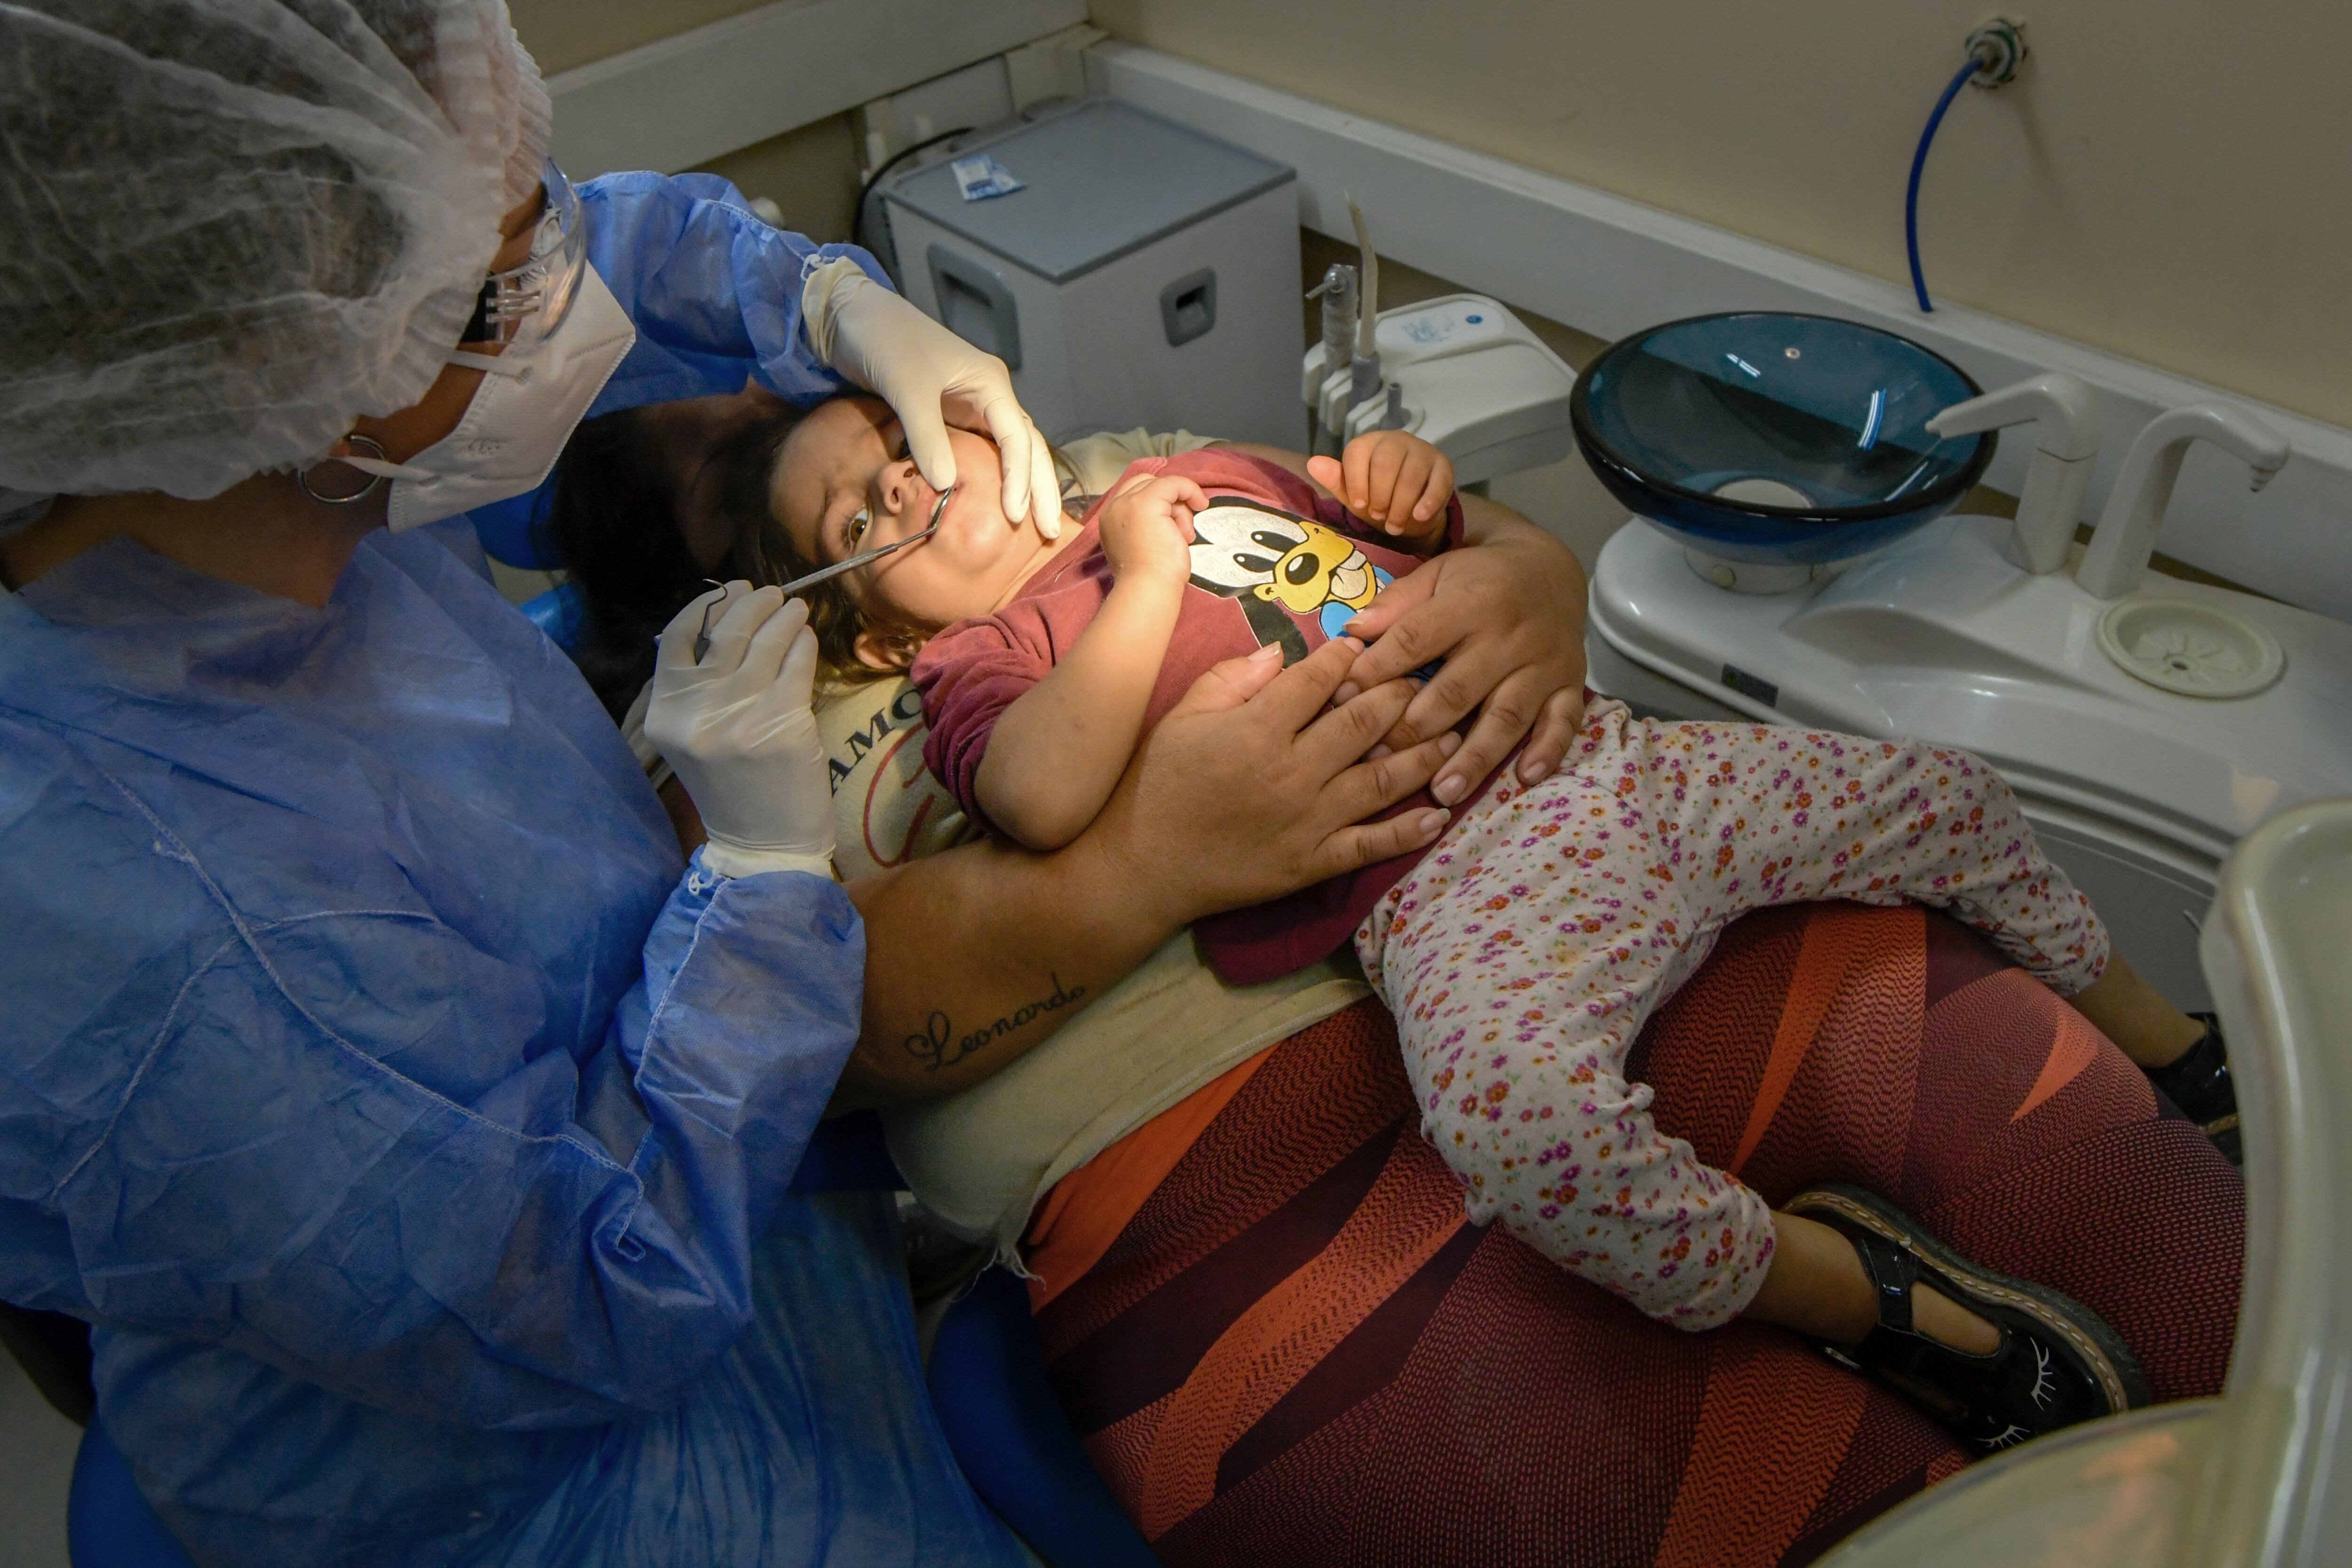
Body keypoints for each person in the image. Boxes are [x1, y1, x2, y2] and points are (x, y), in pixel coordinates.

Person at [0, 7, 1597, 1565]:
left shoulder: (273, 456)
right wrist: (812, 871)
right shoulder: (168, 926)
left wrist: (1523, 575)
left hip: (864, 1208)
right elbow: (596, 1281)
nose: (574, 284)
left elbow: (573, 256)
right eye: (505, 287)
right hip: (564, 1469)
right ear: (293, 376)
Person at [740, 394, 2230, 1450]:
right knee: (1528, 1138)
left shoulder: (1185, 460)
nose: (919, 487)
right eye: (866, 515)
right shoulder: (980, 667)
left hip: (1610, 766)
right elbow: (1055, 792)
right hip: (1455, 896)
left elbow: (1427, 525)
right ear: (880, 632)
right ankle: (1872, 1297)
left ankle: (2186, 1058)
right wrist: (1131, 570)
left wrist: (1419, 496)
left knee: (1944, 798)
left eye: (907, 445)